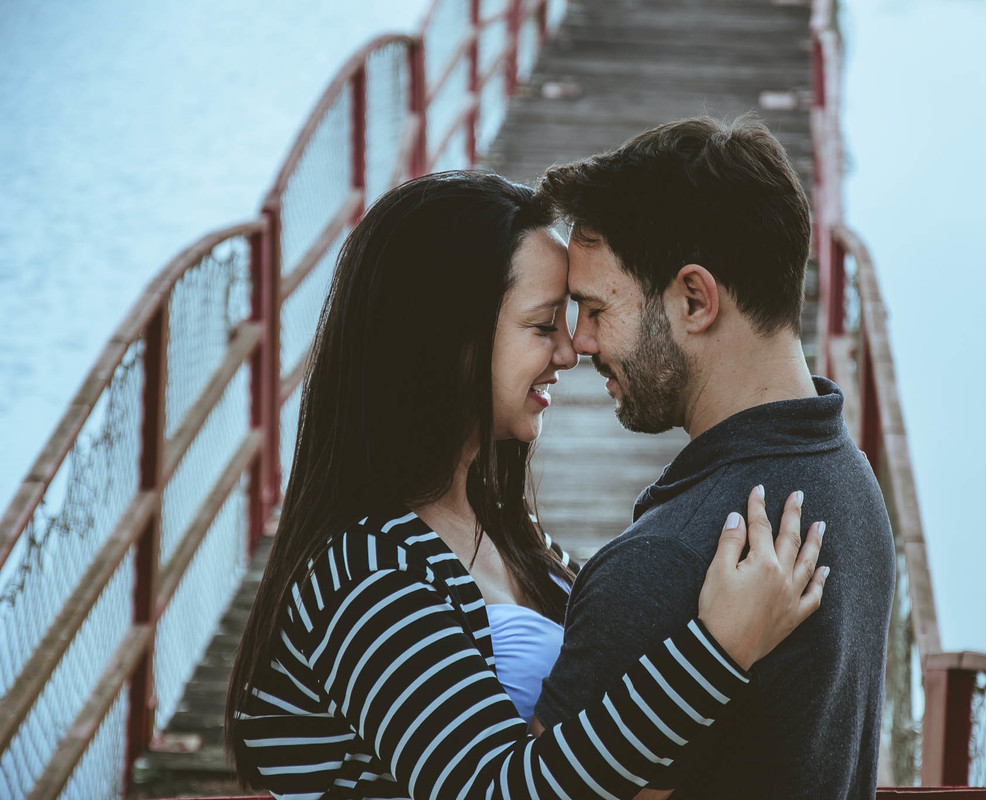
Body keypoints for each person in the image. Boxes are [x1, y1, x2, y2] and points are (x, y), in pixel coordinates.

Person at [224, 171, 830, 800]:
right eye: (543, 326)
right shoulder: (363, 574)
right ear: (448, 339)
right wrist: (717, 651)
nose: (571, 351)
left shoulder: (505, 530)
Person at [531, 116, 896, 799]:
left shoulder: (662, 564)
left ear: (695, 299)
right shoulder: (851, 480)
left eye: (595, 309)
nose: (578, 344)